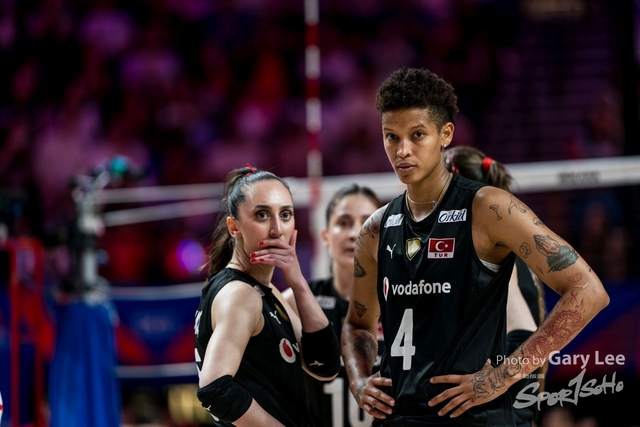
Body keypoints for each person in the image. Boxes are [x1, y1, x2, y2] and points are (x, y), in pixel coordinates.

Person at [340, 67, 610, 427]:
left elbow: (588, 291)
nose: (402, 150)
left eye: (417, 135)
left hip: (474, 418)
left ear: (445, 134)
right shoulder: (376, 228)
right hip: (398, 417)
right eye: (392, 137)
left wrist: (501, 377)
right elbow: (357, 324)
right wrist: (359, 381)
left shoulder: (489, 208)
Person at [194, 165, 341, 427]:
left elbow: (324, 365)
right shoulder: (240, 294)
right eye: (262, 215)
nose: (277, 229)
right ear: (233, 227)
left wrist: (298, 282)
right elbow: (214, 389)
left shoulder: (264, 289)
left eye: (285, 214)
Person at [444, 145, 547, 426]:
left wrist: (493, 383)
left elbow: (524, 333)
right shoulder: (493, 242)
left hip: (503, 414)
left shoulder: (491, 249)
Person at [283, 184, 385, 427]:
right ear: (325, 236)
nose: (355, 233)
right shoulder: (294, 301)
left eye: (367, 222)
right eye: (344, 222)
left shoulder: (403, 298)